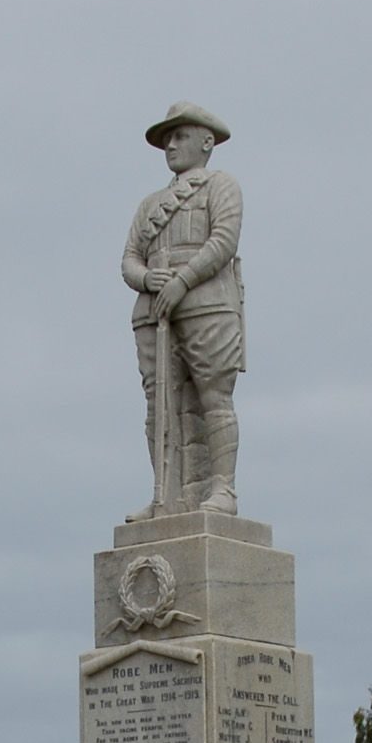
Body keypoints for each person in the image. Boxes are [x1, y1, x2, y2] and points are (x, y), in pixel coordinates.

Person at [122, 101, 243, 518]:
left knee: (214, 395)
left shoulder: (221, 186)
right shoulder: (149, 204)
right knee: (159, 406)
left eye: (180, 136)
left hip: (207, 306)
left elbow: (223, 241)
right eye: (167, 139)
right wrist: (145, 279)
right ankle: (165, 498)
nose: (171, 145)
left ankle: (223, 489)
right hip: (154, 312)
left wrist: (183, 281)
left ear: (206, 142)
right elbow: (129, 258)